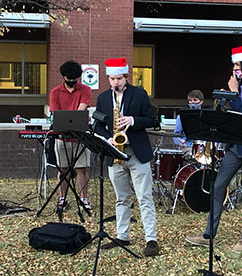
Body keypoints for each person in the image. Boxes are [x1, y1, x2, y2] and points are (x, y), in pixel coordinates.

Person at [185, 42, 242, 252]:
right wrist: (228, 96)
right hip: (234, 146)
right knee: (218, 185)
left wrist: (233, 93)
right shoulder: (239, 86)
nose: (235, 70)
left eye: (238, 66)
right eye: (234, 67)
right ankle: (208, 234)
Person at [95, 57, 159, 257]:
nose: (116, 83)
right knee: (121, 198)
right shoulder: (104, 98)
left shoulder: (139, 94)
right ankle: (122, 235)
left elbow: (151, 119)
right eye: (112, 79)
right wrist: (108, 139)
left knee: (144, 197)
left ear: (126, 77)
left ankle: (151, 239)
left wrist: (133, 120)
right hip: (115, 152)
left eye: (119, 79)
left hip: (136, 152)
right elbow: (97, 124)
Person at [49, 60, 92, 212]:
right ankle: (62, 199)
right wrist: (70, 120)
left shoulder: (85, 89)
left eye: (75, 79)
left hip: (81, 136)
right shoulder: (55, 92)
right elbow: (56, 114)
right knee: (63, 169)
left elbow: (81, 111)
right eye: (69, 79)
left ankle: (83, 199)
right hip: (62, 137)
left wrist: (72, 119)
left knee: (82, 168)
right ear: (64, 77)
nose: (72, 81)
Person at [173, 89, 204, 159]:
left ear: (201, 102)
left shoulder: (206, 116)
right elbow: (175, 136)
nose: (192, 102)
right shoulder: (181, 117)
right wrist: (181, 142)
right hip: (188, 147)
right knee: (193, 153)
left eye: (195, 100)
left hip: (203, 148)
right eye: (190, 100)